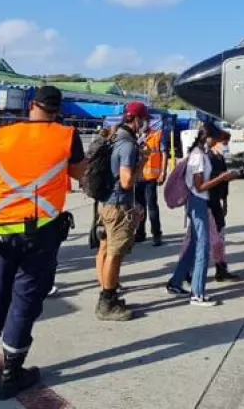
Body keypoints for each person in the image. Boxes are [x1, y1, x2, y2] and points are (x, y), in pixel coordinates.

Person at [0, 86, 86, 400]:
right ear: (59, 109)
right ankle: (10, 375)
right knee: (24, 303)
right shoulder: (67, 135)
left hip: (1, 232)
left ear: (32, 105)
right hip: (42, 233)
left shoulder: (1, 135)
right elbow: (80, 174)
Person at [165, 123, 241, 306]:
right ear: (209, 137)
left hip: (198, 201)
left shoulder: (198, 154)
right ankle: (197, 293)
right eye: (216, 138)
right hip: (198, 201)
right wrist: (222, 178)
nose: (218, 142)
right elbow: (200, 186)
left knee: (193, 245)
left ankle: (176, 282)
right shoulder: (199, 157)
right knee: (202, 248)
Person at [95, 101, 149, 321]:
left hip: (106, 203)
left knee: (106, 250)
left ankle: (109, 294)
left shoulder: (115, 138)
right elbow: (127, 181)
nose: (144, 124)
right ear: (135, 120)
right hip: (118, 206)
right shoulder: (128, 145)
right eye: (143, 120)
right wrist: (142, 161)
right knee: (115, 255)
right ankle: (106, 302)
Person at [205, 135, 240, 282]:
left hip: (216, 202)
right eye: (224, 143)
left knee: (220, 235)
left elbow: (223, 182)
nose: (226, 145)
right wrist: (222, 177)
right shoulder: (208, 158)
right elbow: (206, 179)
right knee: (205, 239)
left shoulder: (220, 158)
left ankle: (221, 268)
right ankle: (188, 271)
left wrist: (225, 201)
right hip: (206, 202)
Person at [133, 121, 166, 247]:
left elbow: (164, 154)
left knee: (152, 207)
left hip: (151, 178)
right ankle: (140, 233)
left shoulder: (157, 136)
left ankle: (156, 234)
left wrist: (163, 173)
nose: (142, 124)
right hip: (138, 178)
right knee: (139, 208)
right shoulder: (136, 137)